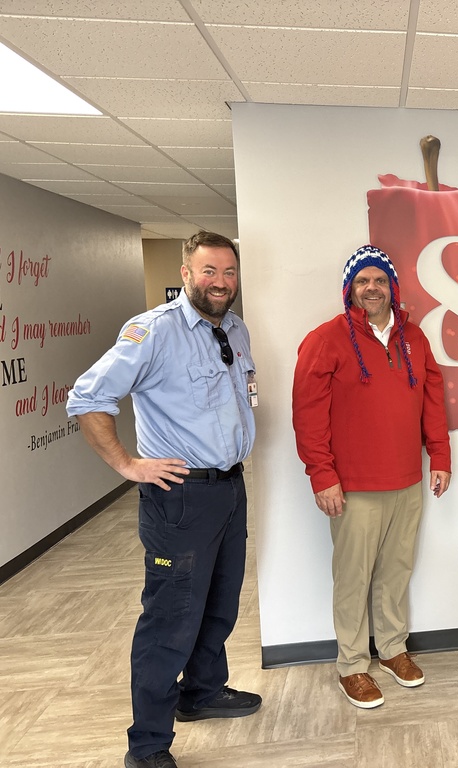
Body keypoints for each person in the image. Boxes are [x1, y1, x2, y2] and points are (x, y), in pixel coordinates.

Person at [66, 231, 261, 768]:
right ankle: (148, 745)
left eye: (229, 272)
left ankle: (202, 692)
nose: (220, 282)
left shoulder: (236, 329)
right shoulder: (154, 331)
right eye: (209, 271)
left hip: (229, 488)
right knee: (170, 619)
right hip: (179, 498)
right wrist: (128, 465)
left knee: (220, 603)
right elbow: (87, 397)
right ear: (186, 273)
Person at [292, 244, 451, 710]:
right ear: (350, 289)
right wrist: (322, 475)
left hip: (407, 481)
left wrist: (440, 456)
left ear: (392, 287)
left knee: (397, 570)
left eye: (380, 280)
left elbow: (433, 400)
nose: (372, 288)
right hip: (353, 486)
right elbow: (307, 415)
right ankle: (351, 665)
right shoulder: (325, 339)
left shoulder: (414, 338)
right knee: (353, 576)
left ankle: (393, 649)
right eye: (362, 281)